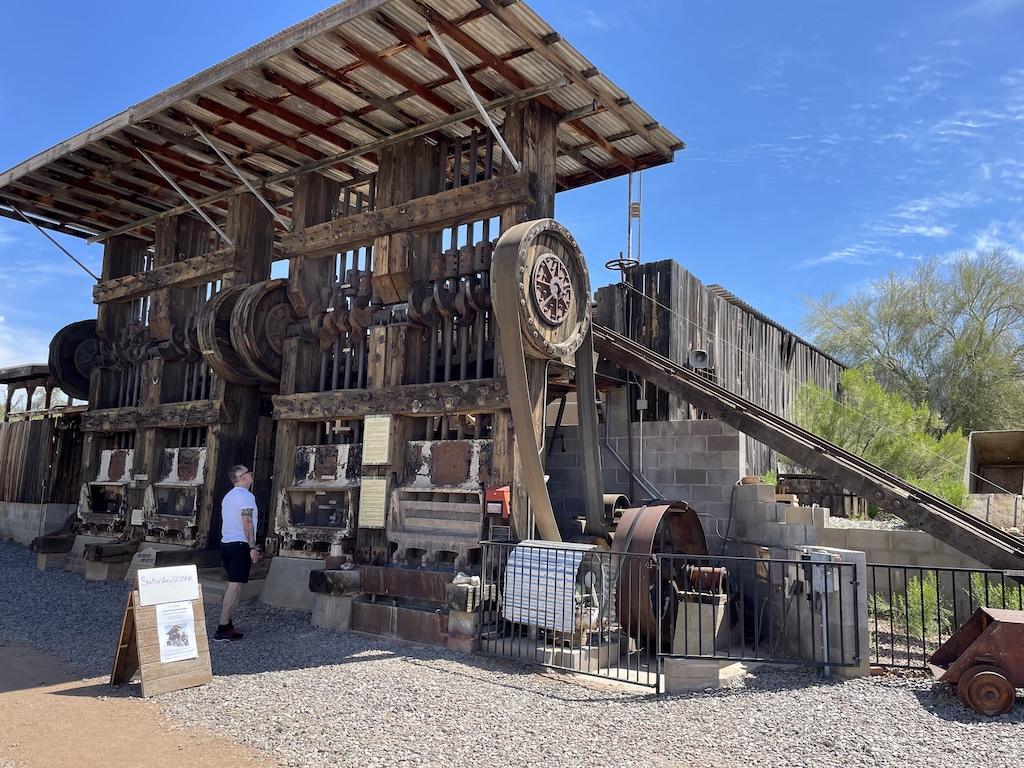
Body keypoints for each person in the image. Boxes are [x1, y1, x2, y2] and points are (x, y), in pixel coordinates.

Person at [214, 464, 260, 642]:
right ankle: (222, 627)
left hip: (226, 543)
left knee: (229, 585)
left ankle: (228, 622)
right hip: (240, 544)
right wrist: (252, 547)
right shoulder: (246, 496)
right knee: (235, 586)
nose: (251, 475)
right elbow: (247, 522)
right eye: (248, 472)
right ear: (242, 477)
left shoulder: (228, 496)